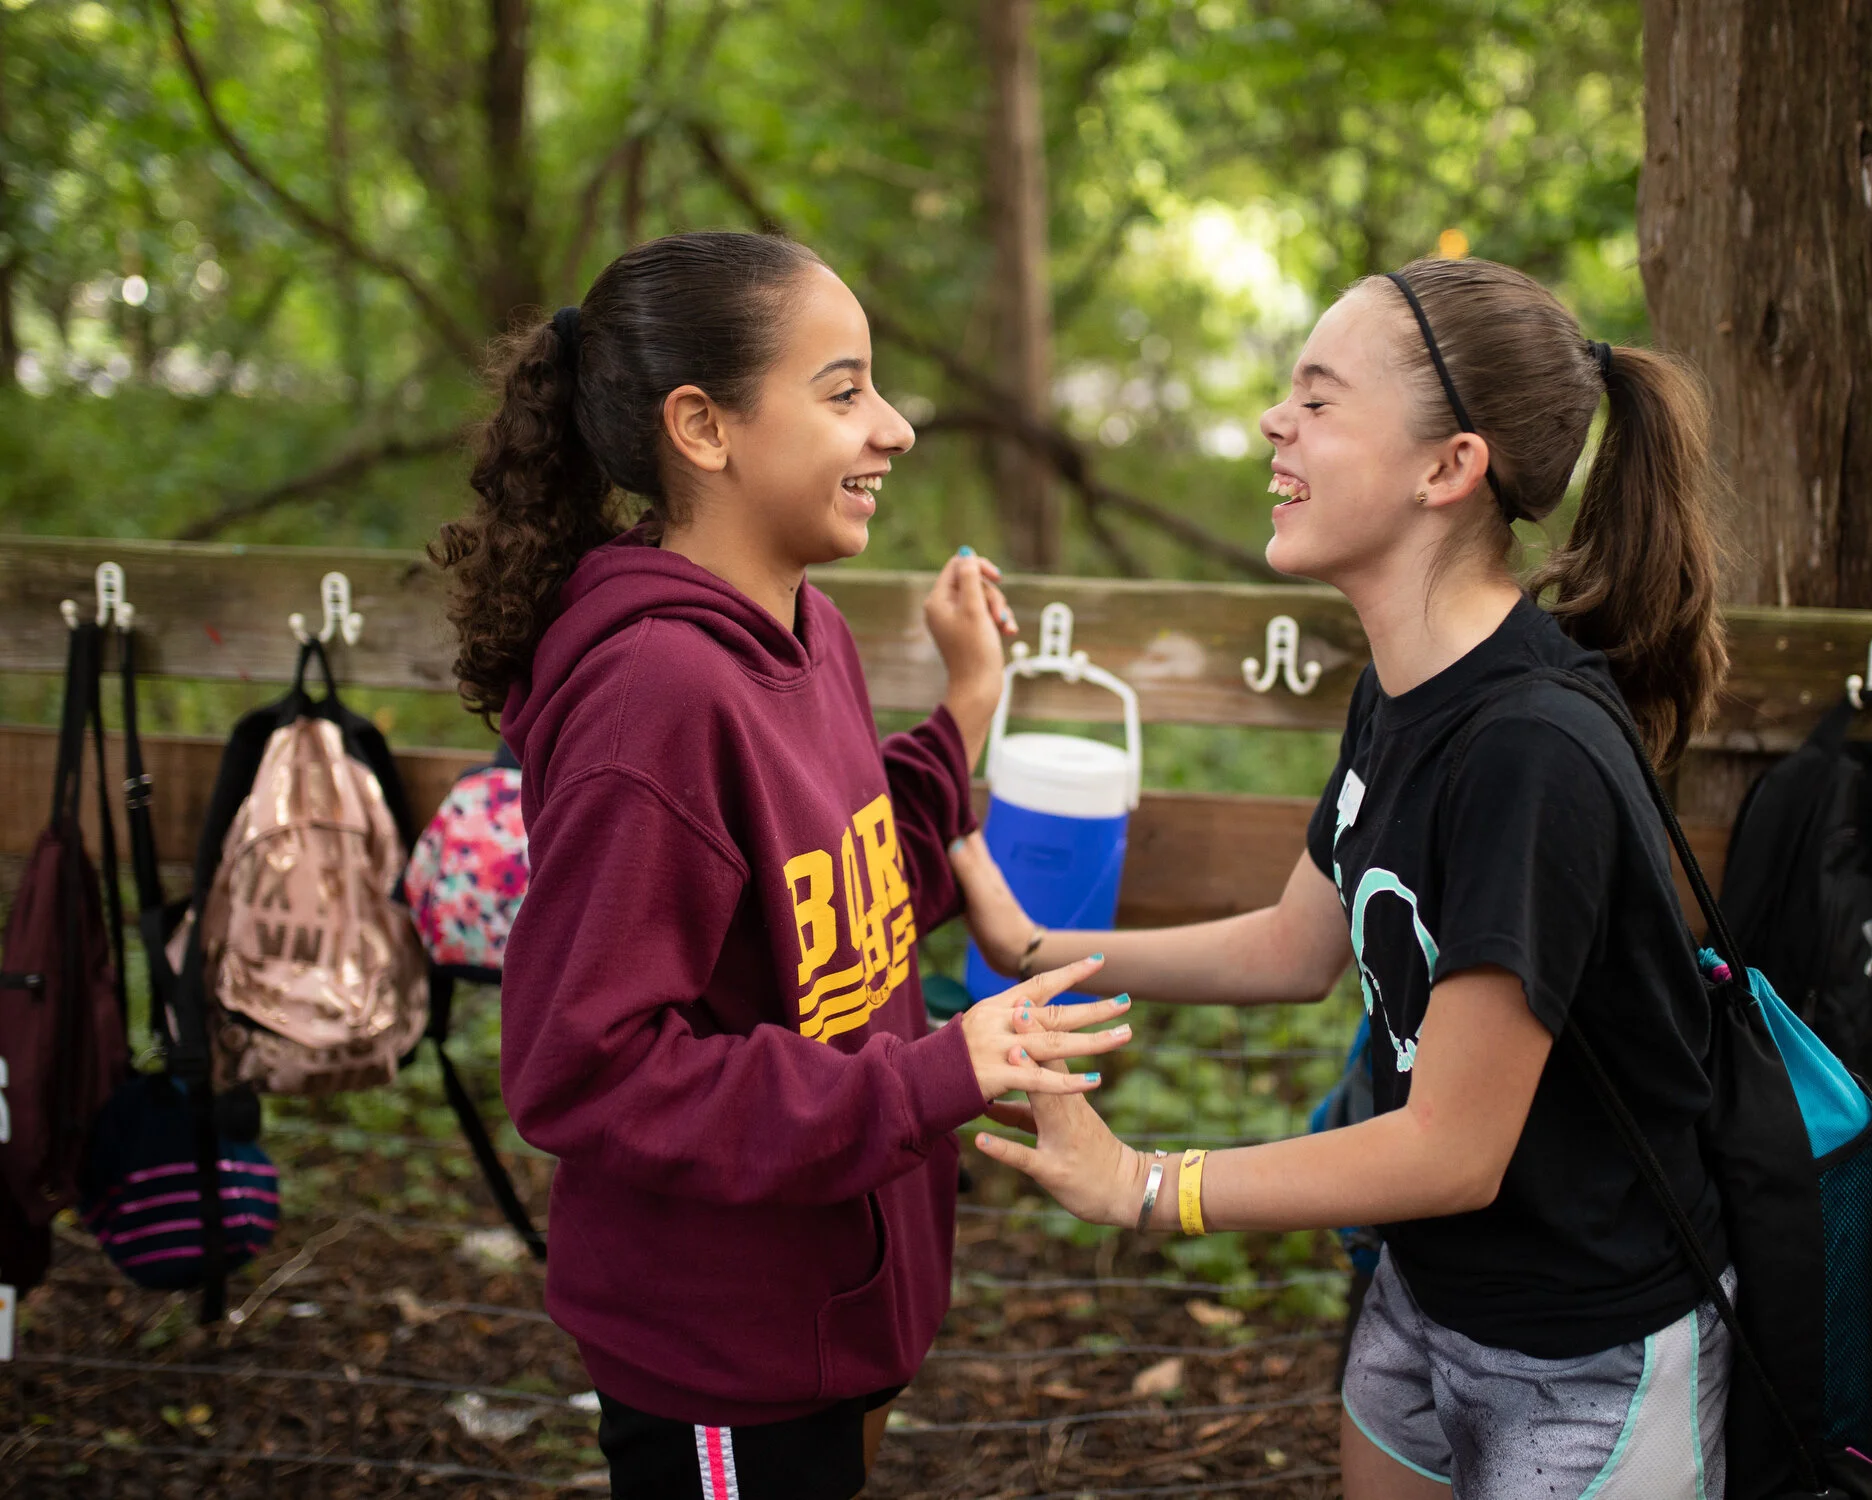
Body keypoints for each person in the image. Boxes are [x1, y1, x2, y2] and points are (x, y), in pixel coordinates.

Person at [954, 256, 1734, 1500]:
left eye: (1319, 398)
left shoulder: (1531, 751)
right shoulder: (1403, 689)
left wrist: (1146, 1184)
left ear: (1449, 467)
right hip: (1423, 1291)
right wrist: (1035, 947)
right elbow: (1294, 946)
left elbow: (1453, 1150)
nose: (1277, 419)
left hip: (1585, 1353)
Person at [434, 230, 1132, 1500]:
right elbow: (584, 1068)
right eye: (844, 391)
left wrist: (970, 703)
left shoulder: (807, 629)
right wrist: (927, 1077)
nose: (896, 429)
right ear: (704, 427)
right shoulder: (654, 695)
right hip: (724, 1345)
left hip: (835, 1301)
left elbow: (853, 883)